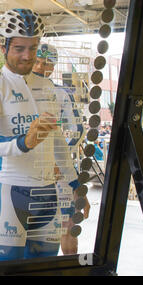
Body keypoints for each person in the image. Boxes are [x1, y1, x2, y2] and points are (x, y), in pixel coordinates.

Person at [0, 8, 83, 261]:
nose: (27, 56)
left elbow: (58, 142)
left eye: (33, 48)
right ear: (3, 46)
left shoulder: (47, 87)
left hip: (48, 194)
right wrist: (25, 142)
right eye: (19, 49)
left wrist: (75, 184)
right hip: (12, 191)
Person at [32, 43, 90, 255]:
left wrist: (59, 159)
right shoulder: (18, 91)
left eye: (46, 63)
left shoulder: (61, 93)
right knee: (36, 234)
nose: (40, 67)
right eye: (37, 61)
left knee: (68, 231)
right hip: (30, 172)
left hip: (60, 171)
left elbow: (79, 128)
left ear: (53, 67)